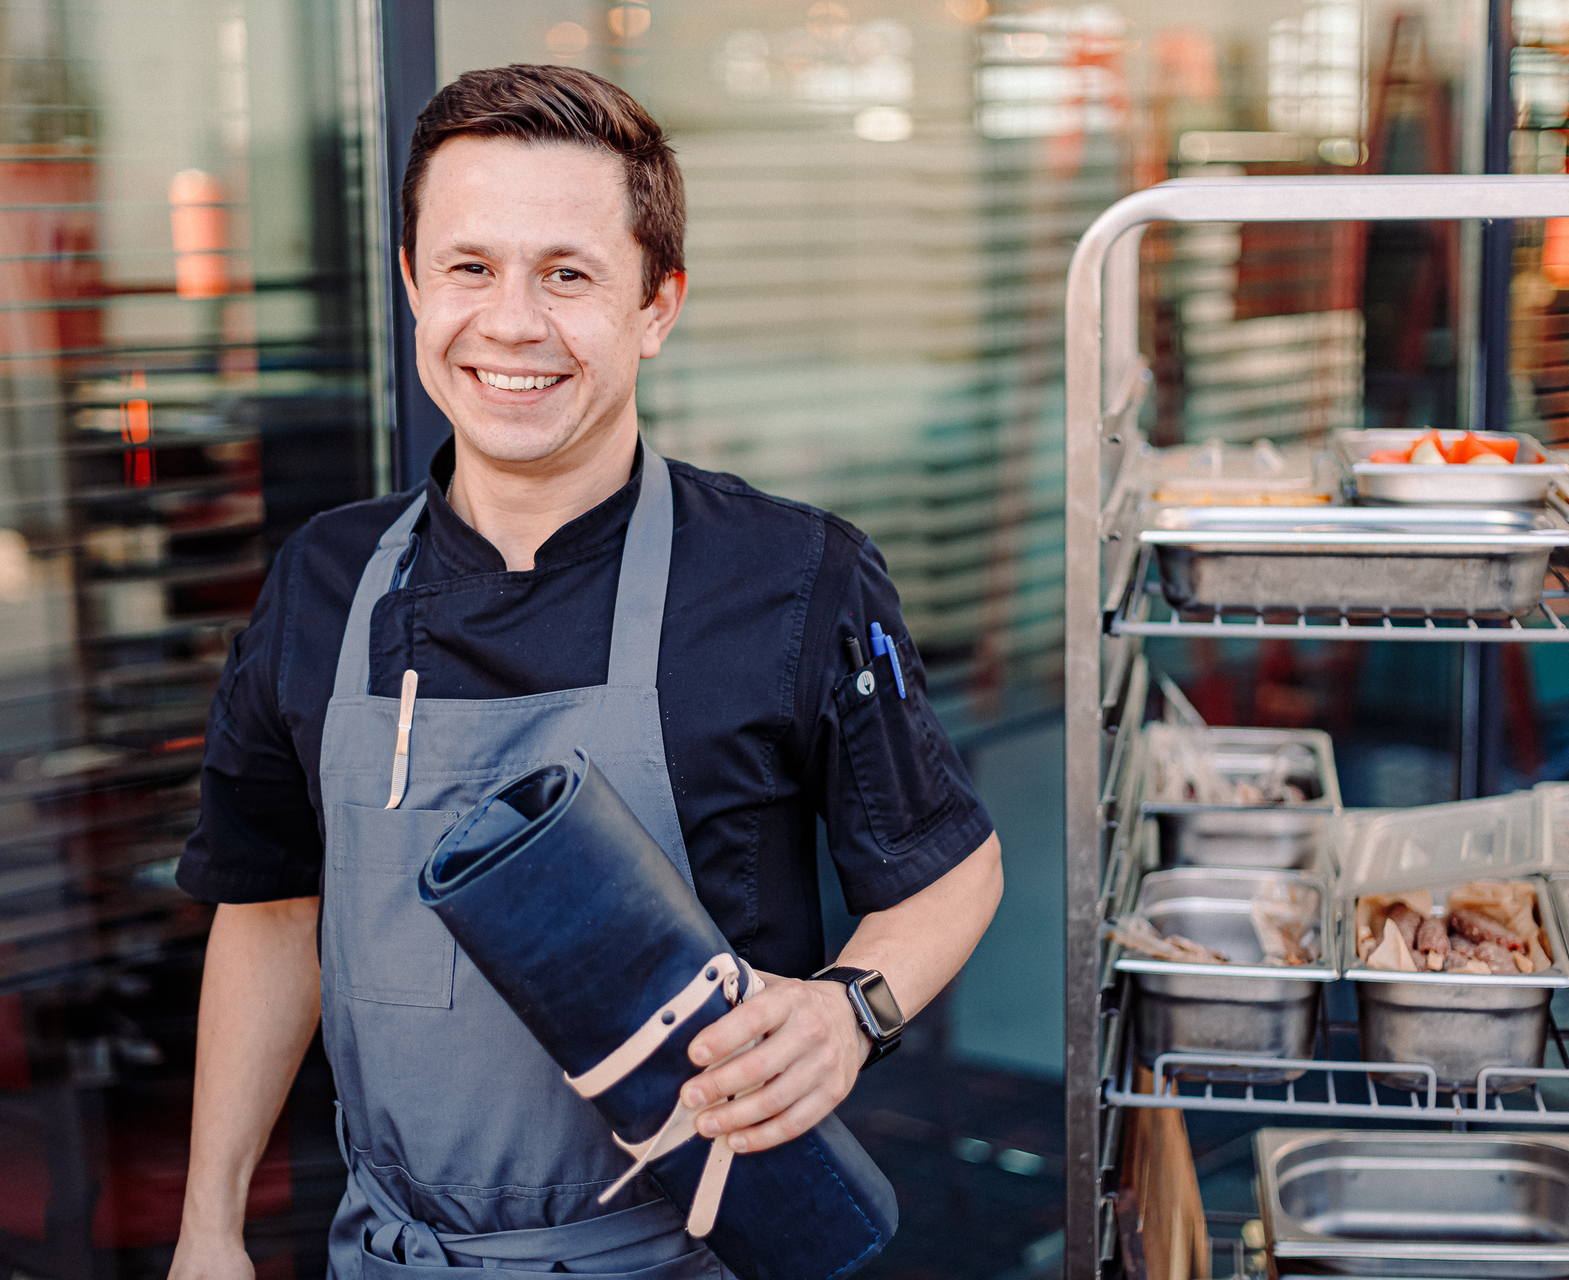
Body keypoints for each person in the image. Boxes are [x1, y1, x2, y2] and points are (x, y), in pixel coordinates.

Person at [168, 65, 1002, 1280]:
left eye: (568, 274)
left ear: (657, 305)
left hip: (686, 1255)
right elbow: (270, 906)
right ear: (412, 284)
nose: (511, 323)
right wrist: (208, 1224)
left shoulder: (788, 576)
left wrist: (849, 1007)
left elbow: (950, 864)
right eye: (470, 267)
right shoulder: (325, 583)